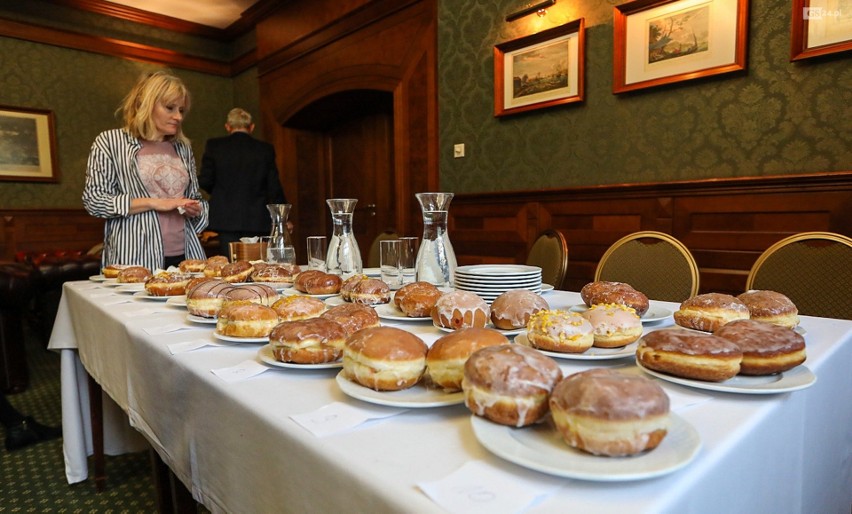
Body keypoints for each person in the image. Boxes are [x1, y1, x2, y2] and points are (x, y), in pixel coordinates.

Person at [83, 70, 209, 272]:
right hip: (135, 257)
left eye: (181, 110)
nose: (178, 116)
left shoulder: (182, 147)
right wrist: (156, 203)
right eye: (169, 108)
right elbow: (95, 201)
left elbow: (196, 198)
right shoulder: (110, 142)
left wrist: (195, 208)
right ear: (146, 104)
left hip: (187, 255)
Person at [199, 108, 288, 257]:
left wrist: (220, 190)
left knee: (231, 265)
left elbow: (205, 180)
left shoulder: (215, 146)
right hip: (257, 217)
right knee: (258, 264)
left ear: (228, 126)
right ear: (251, 127)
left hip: (225, 217)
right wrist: (285, 217)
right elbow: (274, 186)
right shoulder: (264, 149)